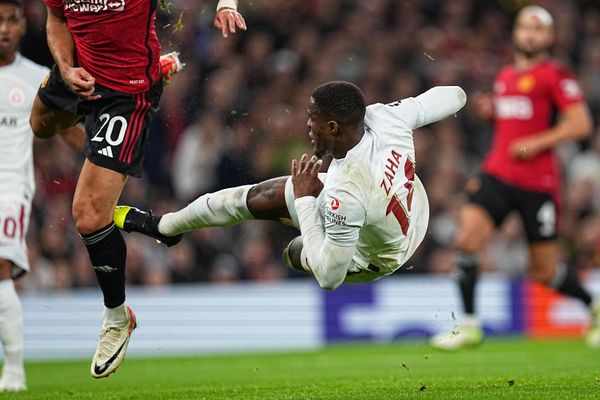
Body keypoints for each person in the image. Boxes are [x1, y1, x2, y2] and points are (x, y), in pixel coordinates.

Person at [28, 0, 246, 379]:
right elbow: (57, 17)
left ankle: (116, 316)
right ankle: (124, 207)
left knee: (87, 215)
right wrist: (64, 66)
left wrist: (226, 5)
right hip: (79, 73)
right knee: (41, 125)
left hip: (126, 95)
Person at [114, 81, 466, 291]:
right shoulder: (383, 118)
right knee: (259, 196)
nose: (306, 126)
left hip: (378, 256)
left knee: (295, 252)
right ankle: (166, 226)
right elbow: (456, 95)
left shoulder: (346, 192)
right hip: (409, 206)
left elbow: (330, 277)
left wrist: (304, 200)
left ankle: (299, 217)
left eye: (311, 119)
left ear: (332, 127)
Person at [429, 5, 598, 350]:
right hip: (498, 174)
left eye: (537, 29)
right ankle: (470, 326)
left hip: (538, 185)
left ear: (549, 37)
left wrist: (538, 141)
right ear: (516, 33)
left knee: (545, 272)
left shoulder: (556, 75)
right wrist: (490, 114)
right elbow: (512, 125)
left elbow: (581, 124)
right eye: (524, 27)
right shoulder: (505, 76)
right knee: (466, 242)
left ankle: (594, 306)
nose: (529, 34)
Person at [0, 0, 86, 391]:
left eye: (11, 20)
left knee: (1, 270)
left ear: (23, 26)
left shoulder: (39, 79)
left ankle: (14, 370)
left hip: (8, 189)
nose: (3, 28)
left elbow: (73, 136)